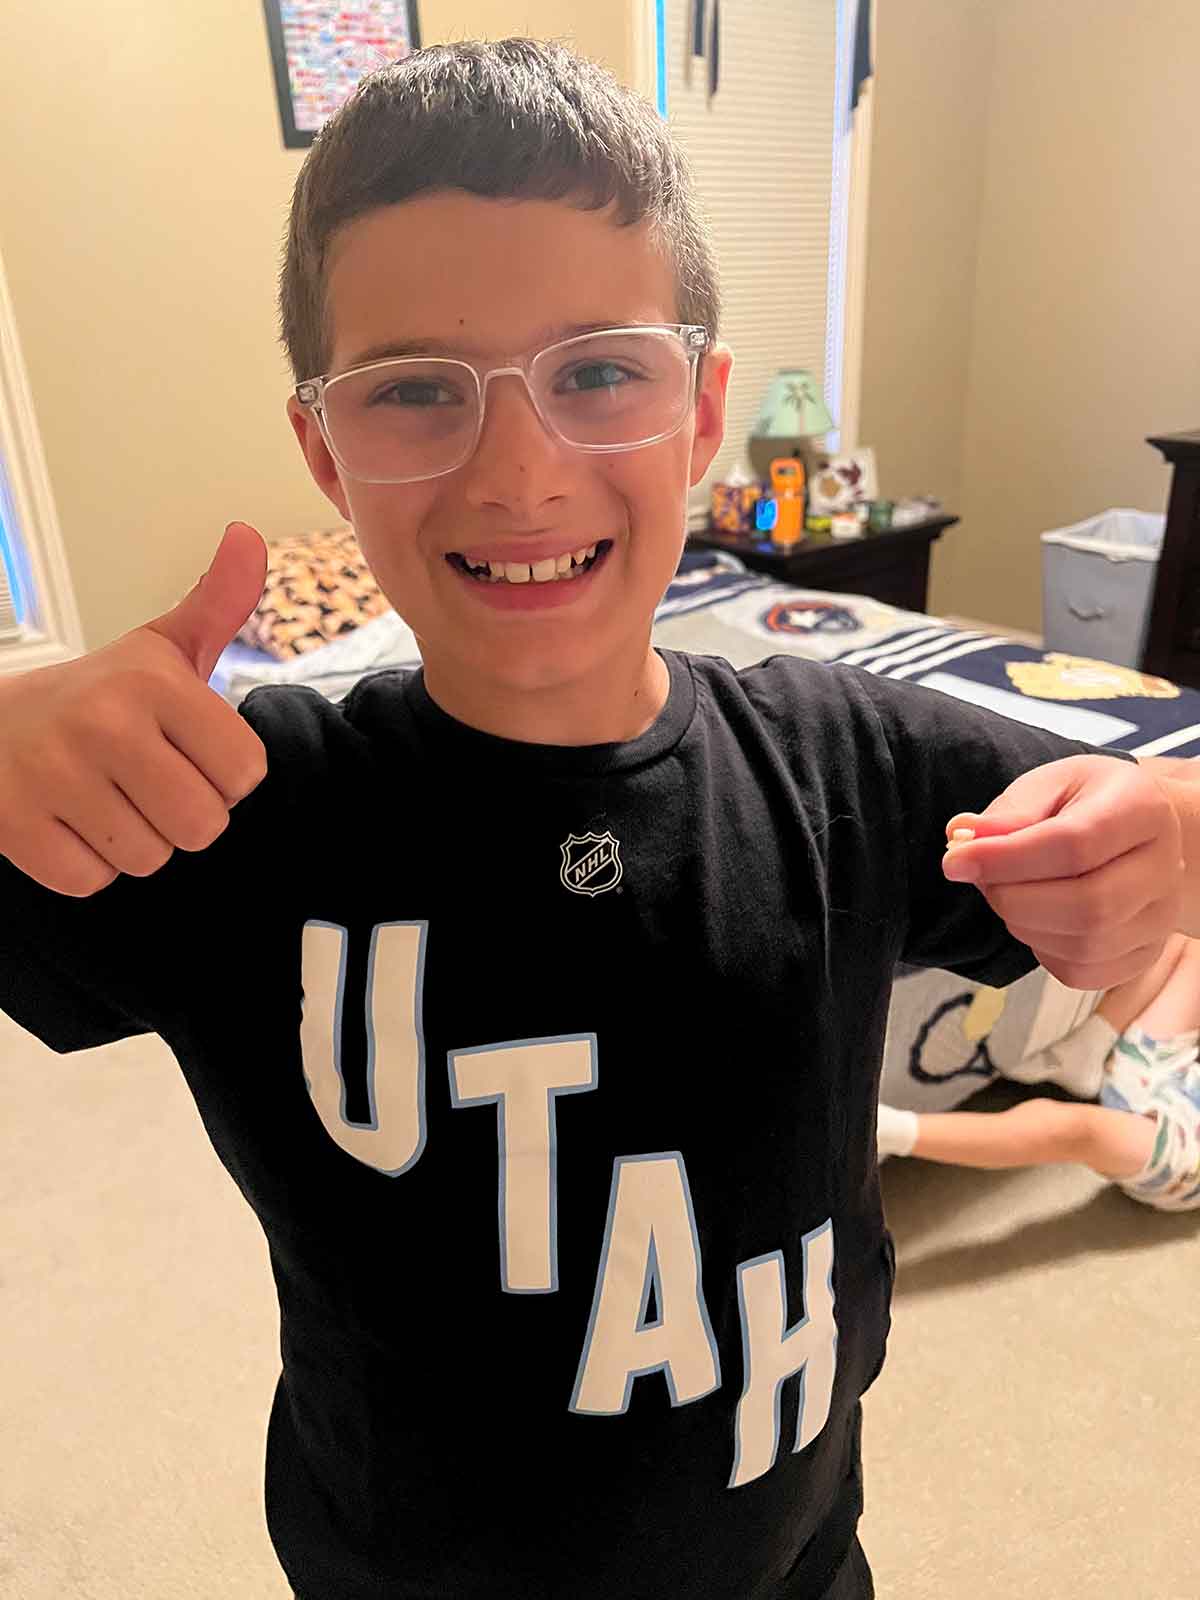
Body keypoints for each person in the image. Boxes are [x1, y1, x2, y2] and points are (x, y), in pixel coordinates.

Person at [1, 38, 1199, 1600]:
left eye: (599, 372)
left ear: (701, 414)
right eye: (417, 390)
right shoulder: (229, 818)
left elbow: (1140, 810)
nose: (518, 472)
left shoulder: (848, 769)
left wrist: (1175, 819)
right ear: (325, 448)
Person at [878, 930, 1200, 1211]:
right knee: (1184, 920)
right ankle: (1088, 1048)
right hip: (1174, 1067)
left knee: (1077, 1134)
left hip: (1182, 1159)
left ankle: (892, 1131)